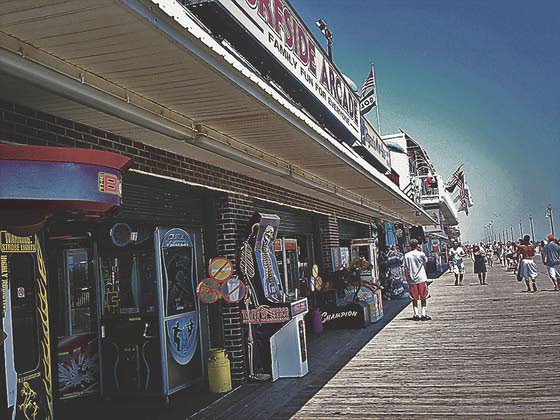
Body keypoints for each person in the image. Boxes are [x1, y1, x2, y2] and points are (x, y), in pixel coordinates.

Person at [404, 239, 431, 321]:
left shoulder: (406, 255)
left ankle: (416, 314)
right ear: (417, 245)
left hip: (412, 279)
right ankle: (423, 313)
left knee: (414, 297)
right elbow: (426, 261)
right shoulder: (421, 254)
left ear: (410, 246)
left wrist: (406, 277)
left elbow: (405, 268)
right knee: (423, 297)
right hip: (421, 278)